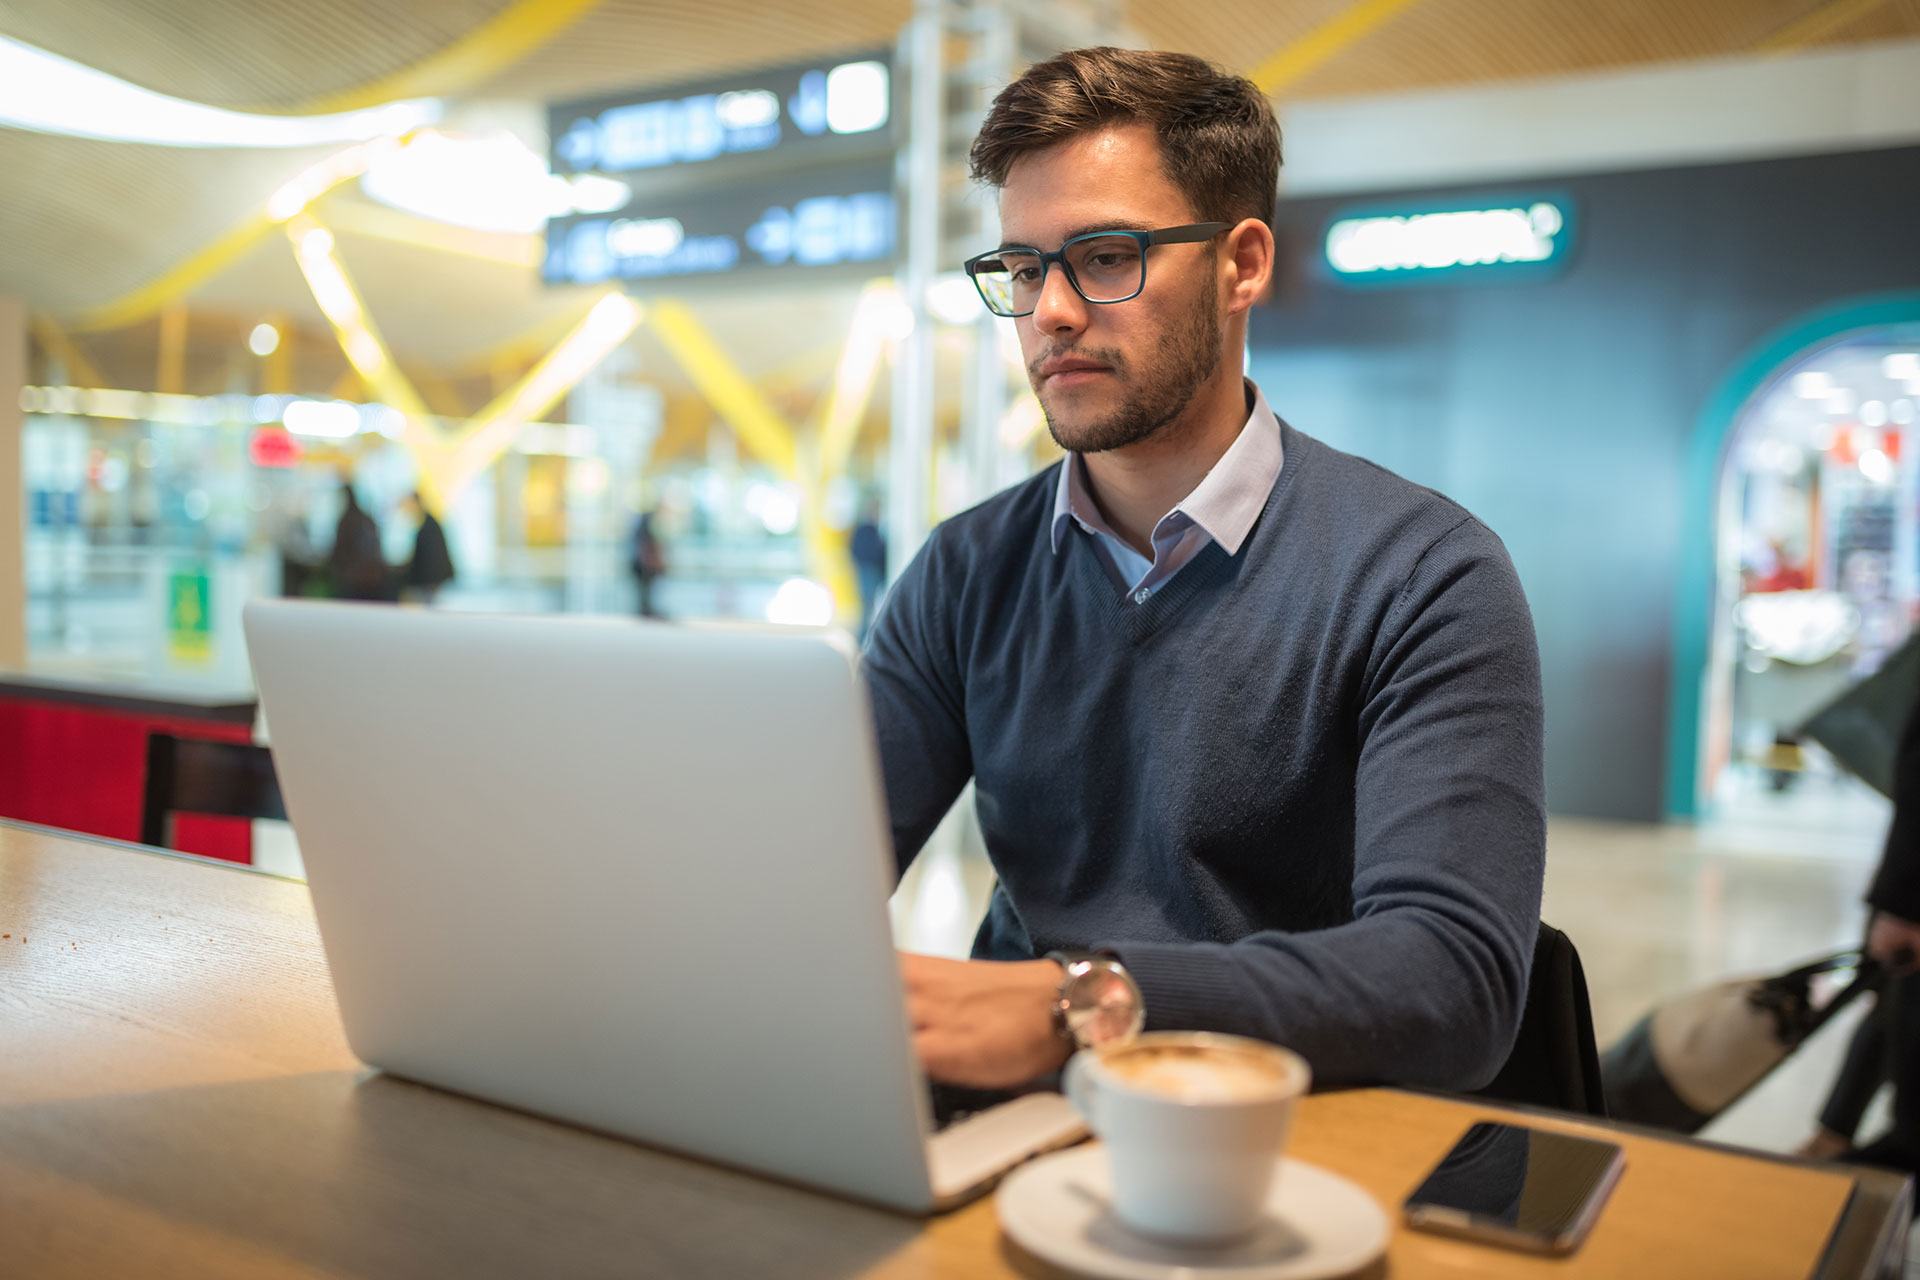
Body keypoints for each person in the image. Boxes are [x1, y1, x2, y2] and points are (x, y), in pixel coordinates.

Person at [863, 48, 1545, 1096]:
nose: (1049, 311)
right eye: (1026, 267)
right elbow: (815, 874)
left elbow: (1454, 978)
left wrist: (1083, 1002)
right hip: (1015, 1126)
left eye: (1102, 256)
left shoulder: (1424, 575)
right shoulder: (964, 569)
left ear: (1243, 263)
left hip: (1287, 1133)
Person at [328, 480, 391, 602]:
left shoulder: (346, 521)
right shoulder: (367, 519)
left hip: (354, 581)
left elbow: (340, 551)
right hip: (375, 579)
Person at [399, 490, 455, 604]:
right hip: (430, 582)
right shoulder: (427, 524)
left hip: (430, 583)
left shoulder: (429, 527)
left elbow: (434, 558)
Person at [850, 497, 888, 642]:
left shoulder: (873, 528)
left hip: (872, 571)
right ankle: (862, 640)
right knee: (867, 606)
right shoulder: (866, 529)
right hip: (868, 571)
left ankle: (865, 639)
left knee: (871, 606)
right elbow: (859, 550)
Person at [630, 507, 667, 618]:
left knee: (646, 591)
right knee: (645, 590)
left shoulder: (640, 530)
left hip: (642, 565)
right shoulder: (645, 531)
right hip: (643, 565)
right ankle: (645, 610)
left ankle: (646, 610)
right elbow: (645, 549)